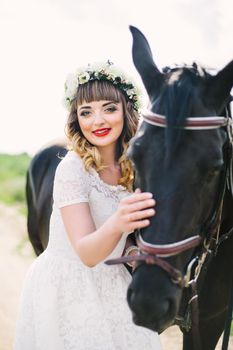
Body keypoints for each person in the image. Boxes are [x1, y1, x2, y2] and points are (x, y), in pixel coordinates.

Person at [14, 61, 162, 349]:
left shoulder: (136, 169)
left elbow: (129, 238)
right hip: (68, 289)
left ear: (126, 110)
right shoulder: (72, 169)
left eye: (109, 108)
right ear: (76, 119)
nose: (98, 121)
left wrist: (131, 249)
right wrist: (119, 221)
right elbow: (86, 253)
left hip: (115, 284)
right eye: (86, 112)